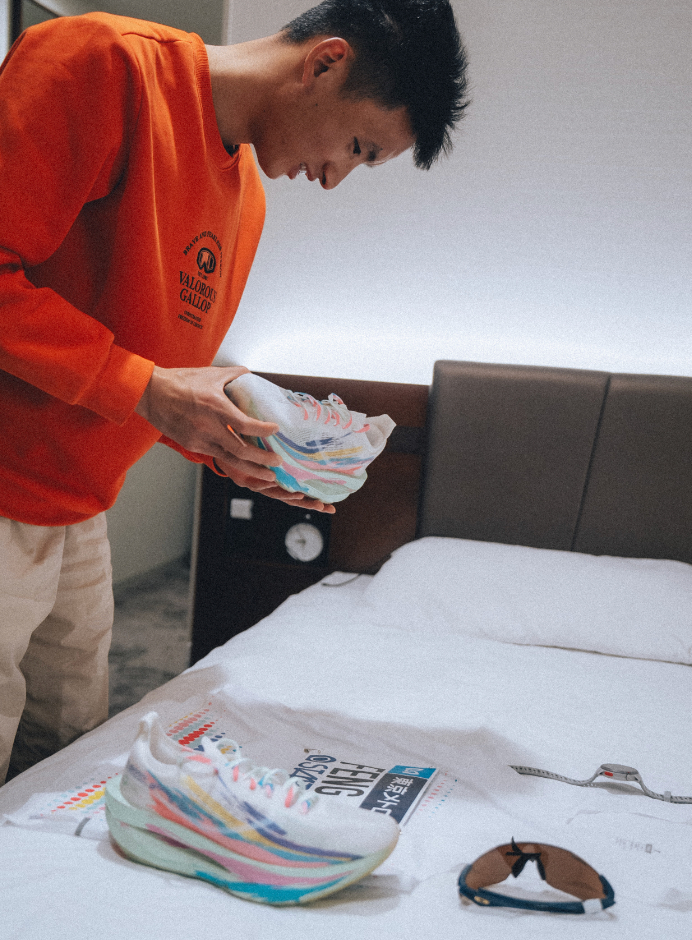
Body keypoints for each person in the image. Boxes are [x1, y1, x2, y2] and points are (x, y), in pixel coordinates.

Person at [0, 0, 469, 784]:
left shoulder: (244, 201)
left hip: (80, 510)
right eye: (357, 147)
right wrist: (150, 388)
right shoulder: (104, 65)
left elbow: (161, 377)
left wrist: (248, 449)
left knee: (65, 759)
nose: (334, 178)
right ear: (326, 62)